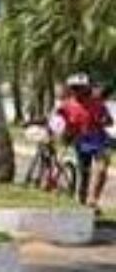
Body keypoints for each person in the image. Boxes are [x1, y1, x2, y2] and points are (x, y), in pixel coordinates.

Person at [57, 73, 110, 211]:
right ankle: (82, 201)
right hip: (80, 141)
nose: (77, 91)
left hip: (99, 140)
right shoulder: (66, 106)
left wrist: (104, 121)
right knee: (84, 173)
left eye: (81, 87)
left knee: (102, 169)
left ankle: (93, 199)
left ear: (87, 88)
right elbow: (56, 121)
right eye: (74, 88)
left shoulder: (97, 104)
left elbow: (109, 120)